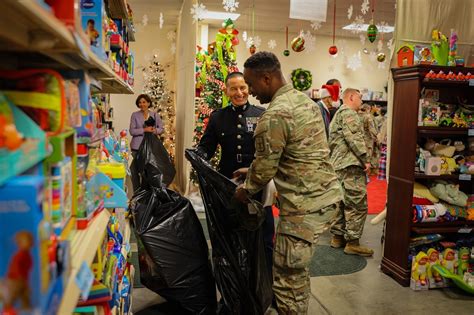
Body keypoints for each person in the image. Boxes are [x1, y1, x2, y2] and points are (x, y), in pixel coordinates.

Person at [233, 52, 342, 314]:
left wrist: (245, 189)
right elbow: (298, 150)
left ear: (267, 78)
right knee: (298, 272)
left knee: (286, 278)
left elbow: (265, 169)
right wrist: (254, 169)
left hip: (303, 208)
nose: (250, 92)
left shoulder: (274, 115)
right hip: (325, 198)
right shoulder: (306, 103)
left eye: (251, 84)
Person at [196, 72, 275, 271]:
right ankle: (231, 279)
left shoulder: (261, 114)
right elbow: (207, 147)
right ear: (226, 90)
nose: (239, 93)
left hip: (257, 182)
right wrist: (198, 155)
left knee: (263, 233)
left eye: (242, 88)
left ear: (248, 88)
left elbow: (271, 150)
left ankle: (263, 280)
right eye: (234, 88)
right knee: (229, 231)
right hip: (228, 182)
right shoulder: (218, 117)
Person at [328, 88, 374, 257]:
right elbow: (354, 138)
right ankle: (353, 243)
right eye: (360, 98)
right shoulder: (349, 113)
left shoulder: (338, 114)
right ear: (352, 97)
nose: (361, 102)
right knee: (357, 204)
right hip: (350, 166)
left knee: (340, 202)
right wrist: (365, 160)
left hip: (338, 165)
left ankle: (337, 237)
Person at [129, 94, 164, 191]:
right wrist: (144, 130)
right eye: (140, 102)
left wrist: (154, 130)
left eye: (144, 102)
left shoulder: (155, 115)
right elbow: (132, 131)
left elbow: (161, 129)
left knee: (148, 172)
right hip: (137, 148)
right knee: (134, 170)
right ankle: (137, 192)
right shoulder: (135, 115)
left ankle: (146, 193)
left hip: (151, 147)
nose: (142, 104)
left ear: (148, 103)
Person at [358, 104, 379, 175]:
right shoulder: (368, 116)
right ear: (368, 109)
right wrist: (376, 139)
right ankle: (368, 171)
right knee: (368, 156)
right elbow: (372, 130)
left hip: (358, 139)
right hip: (368, 139)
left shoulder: (356, 115)